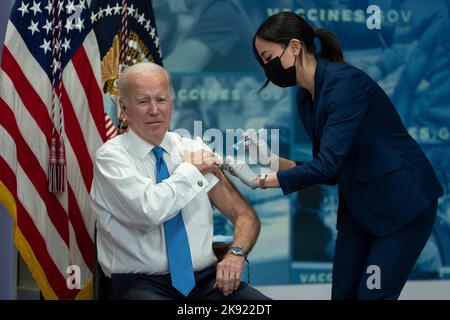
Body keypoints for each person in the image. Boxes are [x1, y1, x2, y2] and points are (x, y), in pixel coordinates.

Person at [226, 11, 443, 300]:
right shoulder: (306, 96)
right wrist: (272, 162)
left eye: (268, 58)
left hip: (402, 205)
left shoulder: (343, 84)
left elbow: (326, 167)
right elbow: (327, 168)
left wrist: (260, 181)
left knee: (371, 296)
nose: (267, 69)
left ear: (294, 47)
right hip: (361, 207)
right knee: (342, 295)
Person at [90, 62, 269, 300]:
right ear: (124, 108)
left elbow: (244, 215)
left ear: (172, 104)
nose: (155, 110)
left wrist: (236, 254)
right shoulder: (111, 158)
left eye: (162, 100)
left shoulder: (192, 148)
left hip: (205, 282)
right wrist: (191, 170)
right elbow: (149, 211)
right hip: (142, 284)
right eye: (143, 101)